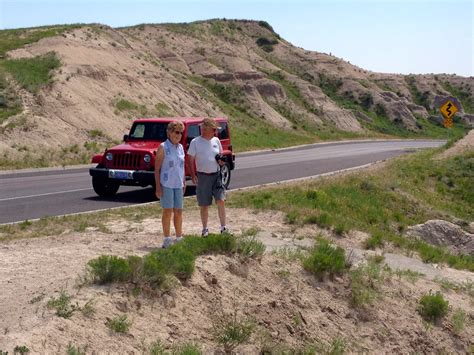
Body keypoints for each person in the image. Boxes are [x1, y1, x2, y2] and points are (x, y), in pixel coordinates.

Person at [187, 118, 229, 237]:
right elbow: (190, 159)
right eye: (213, 129)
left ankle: (223, 227)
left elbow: (220, 156)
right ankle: (205, 229)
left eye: (215, 129)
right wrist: (193, 174)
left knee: (221, 200)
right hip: (203, 176)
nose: (215, 131)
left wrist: (221, 162)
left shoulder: (216, 140)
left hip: (216, 174)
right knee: (204, 204)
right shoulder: (196, 142)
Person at [154, 121, 186, 248]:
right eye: (176, 132)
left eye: (180, 133)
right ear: (169, 133)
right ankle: (167, 238)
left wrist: (183, 182)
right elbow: (157, 169)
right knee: (167, 211)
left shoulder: (181, 147)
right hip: (166, 183)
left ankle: (179, 237)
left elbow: (181, 167)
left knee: (178, 211)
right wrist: (158, 187)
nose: (178, 135)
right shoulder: (163, 147)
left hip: (178, 184)